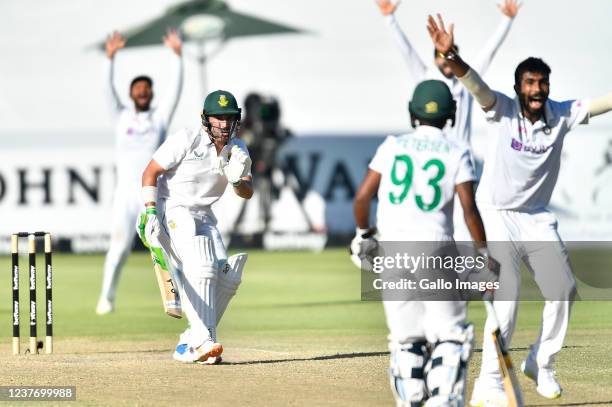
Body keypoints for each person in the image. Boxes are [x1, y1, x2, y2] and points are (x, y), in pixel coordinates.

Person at [427, 14, 612, 405]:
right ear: (517, 88)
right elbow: (475, 84)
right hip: (495, 214)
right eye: (530, 83)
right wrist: (452, 56)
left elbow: (598, 104)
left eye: (543, 83)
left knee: (563, 289)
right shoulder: (502, 110)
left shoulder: (561, 114)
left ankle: (541, 363)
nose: (538, 90)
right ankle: (489, 383)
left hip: (536, 216)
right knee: (505, 301)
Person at [352, 80, 496, 406]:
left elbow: (362, 198)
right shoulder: (459, 151)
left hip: (392, 251)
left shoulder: (392, 145)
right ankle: (442, 400)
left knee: (407, 340)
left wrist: (364, 235)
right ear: (451, 114)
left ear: (412, 112)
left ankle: (414, 397)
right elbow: (469, 210)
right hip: (436, 250)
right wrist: (485, 255)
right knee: (450, 336)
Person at [375, 0, 521, 243]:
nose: (446, 65)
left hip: (460, 160)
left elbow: (489, 52)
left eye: (449, 59)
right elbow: (406, 51)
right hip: (434, 161)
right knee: (433, 230)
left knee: (466, 227)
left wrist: (507, 20)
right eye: (441, 60)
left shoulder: (466, 80)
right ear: (434, 60)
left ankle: (475, 269)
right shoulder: (425, 77)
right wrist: (389, 19)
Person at [138, 90, 253, 364]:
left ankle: (191, 341)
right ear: (206, 119)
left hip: (204, 215)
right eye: (218, 118)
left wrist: (237, 181)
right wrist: (151, 212)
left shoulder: (238, 149)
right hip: (173, 209)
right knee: (201, 266)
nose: (224, 124)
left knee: (229, 275)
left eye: (229, 118)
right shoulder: (186, 139)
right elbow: (150, 172)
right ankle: (204, 341)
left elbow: (247, 191)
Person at [96, 30, 184, 315]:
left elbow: (175, 91)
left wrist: (177, 56)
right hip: (125, 195)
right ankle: (106, 298)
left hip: (154, 193)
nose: (143, 92)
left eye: (147, 89)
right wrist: (110, 58)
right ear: (132, 93)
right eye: (138, 89)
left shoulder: (159, 117)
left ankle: (180, 297)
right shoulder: (121, 117)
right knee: (119, 248)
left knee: (168, 247)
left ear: (151, 93)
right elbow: (106, 90)